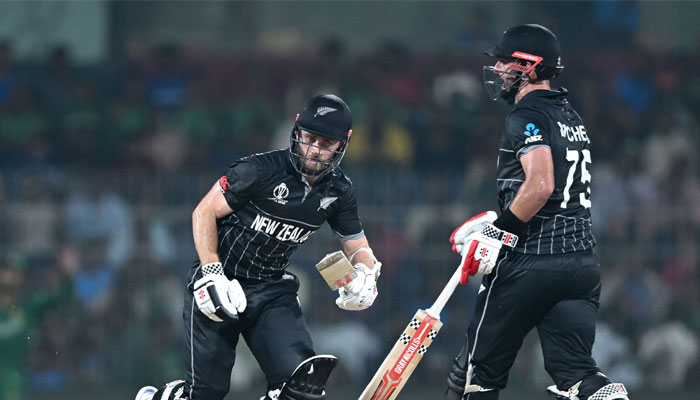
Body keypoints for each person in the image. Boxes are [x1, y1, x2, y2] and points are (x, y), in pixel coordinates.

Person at [135, 94, 382, 400]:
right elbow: (204, 212)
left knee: (300, 387)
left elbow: (356, 244)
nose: (316, 150)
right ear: (296, 131)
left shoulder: (340, 191)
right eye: (310, 138)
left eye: (327, 143)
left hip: (272, 288)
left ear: (343, 144)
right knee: (205, 393)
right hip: (221, 282)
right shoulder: (258, 170)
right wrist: (211, 271)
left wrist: (367, 275)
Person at [444, 25, 629, 400]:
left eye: (505, 62)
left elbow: (541, 185)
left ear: (529, 67)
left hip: (531, 262)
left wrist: (499, 232)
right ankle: (602, 393)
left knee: (475, 376)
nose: (496, 69)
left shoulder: (524, 116)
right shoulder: (570, 116)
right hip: (580, 265)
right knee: (576, 373)